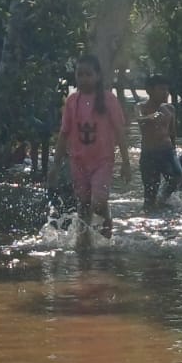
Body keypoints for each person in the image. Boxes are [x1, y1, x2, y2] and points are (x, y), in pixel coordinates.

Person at [51, 53, 130, 238]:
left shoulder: (109, 100)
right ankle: (84, 241)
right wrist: (55, 165)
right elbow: (64, 134)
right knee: (84, 203)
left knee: (99, 202)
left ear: (98, 76)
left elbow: (119, 131)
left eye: (88, 74)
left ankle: (106, 231)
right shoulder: (71, 101)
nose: (84, 79)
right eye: (80, 74)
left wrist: (126, 162)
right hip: (78, 161)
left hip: (102, 160)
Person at [138, 73, 181, 209]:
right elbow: (139, 120)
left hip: (167, 151)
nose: (166, 93)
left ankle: (163, 198)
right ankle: (150, 214)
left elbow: (172, 133)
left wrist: (174, 150)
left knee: (177, 175)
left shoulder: (170, 109)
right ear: (149, 90)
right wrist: (152, 117)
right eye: (162, 89)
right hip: (149, 153)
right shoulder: (141, 107)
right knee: (149, 192)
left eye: (167, 89)